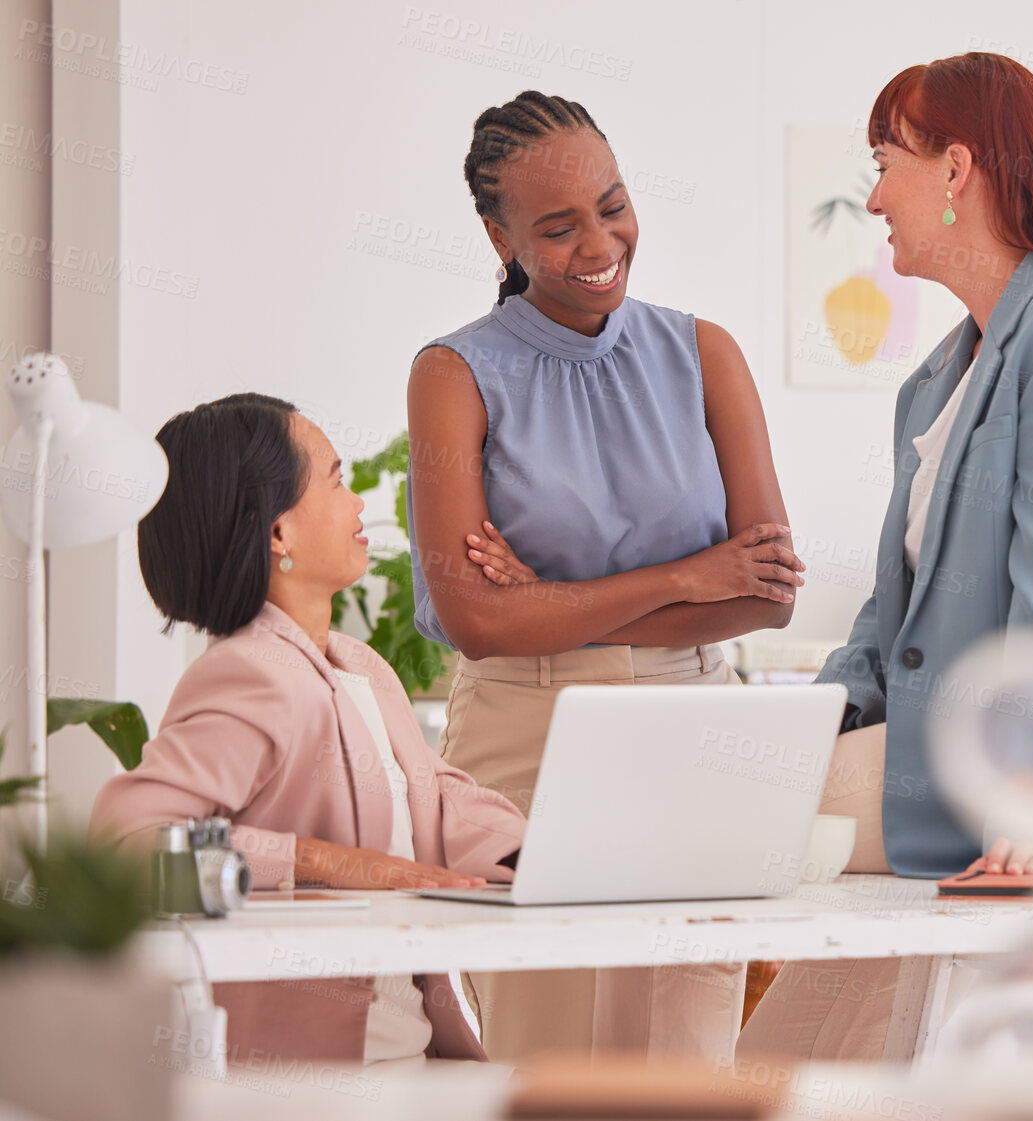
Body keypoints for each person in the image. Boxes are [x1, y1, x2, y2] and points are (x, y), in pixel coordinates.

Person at [736, 51, 1033, 1062]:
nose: (871, 197)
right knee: (779, 1046)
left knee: (734, 811)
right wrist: (808, 718)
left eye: (883, 162)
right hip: (936, 754)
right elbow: (886, 614)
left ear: (956, 172)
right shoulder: (939, 377)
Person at [405, 90, 803, 1066]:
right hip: (525, 735)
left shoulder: (704, 353)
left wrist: (552, 600)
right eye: (556, 225)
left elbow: (768, 590)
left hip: (695, 721)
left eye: (612, 205)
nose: (599, 242)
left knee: (686, 1041)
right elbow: (474, 620)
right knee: (548, 1054)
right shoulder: (455, 373)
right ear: (497, 234)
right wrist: (690, 573)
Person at [90, 393, 528, 1066]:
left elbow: (437, 801)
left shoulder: (359, 664)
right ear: (277, 533)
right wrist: (322, 860)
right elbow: (127, 841)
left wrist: (544, 853)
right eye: (335, 478)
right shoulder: (247, 671)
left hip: (406, 1050)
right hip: (318, 1072)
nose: (359, 505)